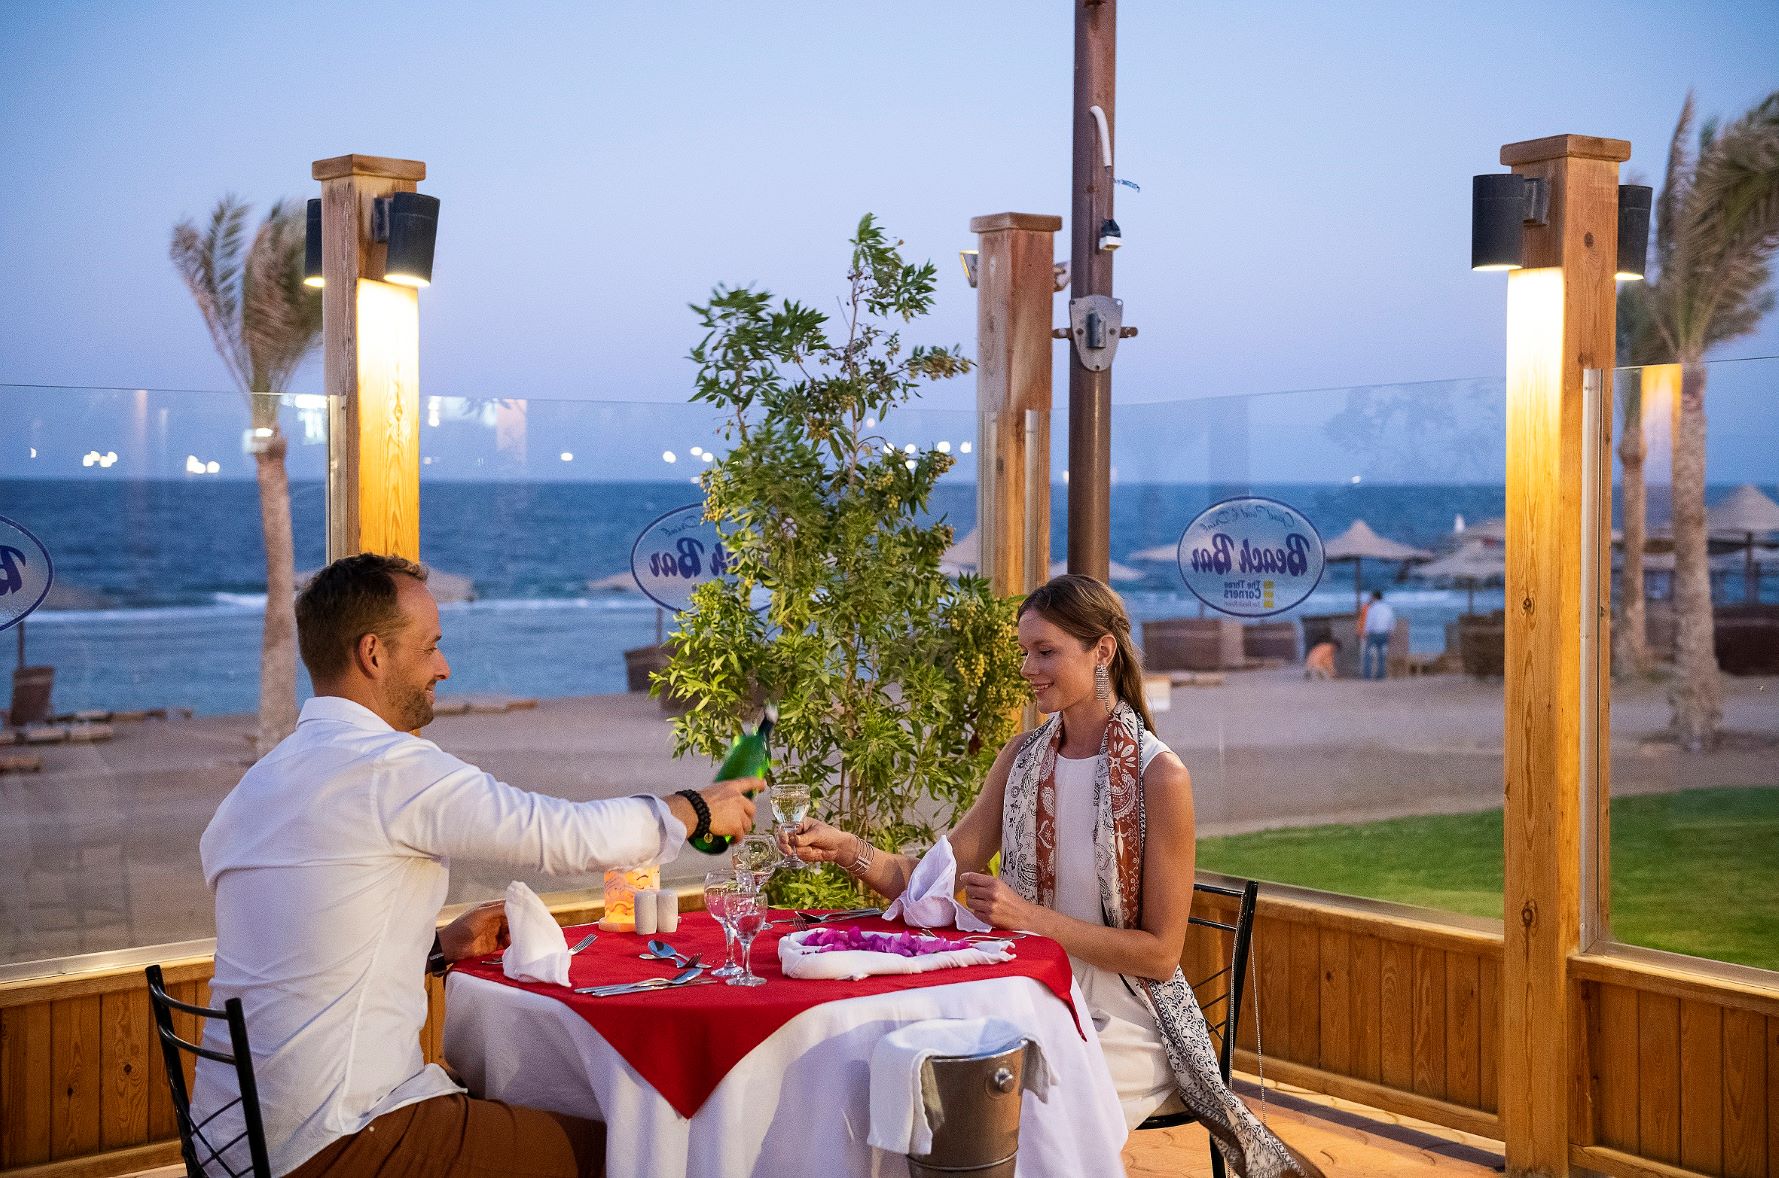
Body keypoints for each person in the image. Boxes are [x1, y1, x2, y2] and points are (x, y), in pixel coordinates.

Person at [192, 554, 757, 1178]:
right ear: (373, 654)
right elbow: (559, 836)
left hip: (232, 1142)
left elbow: (294, 950)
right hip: (338, 1140)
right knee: (641, 1152)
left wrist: (437, 947)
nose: (444, 667)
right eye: (430, 646)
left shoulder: (258, 786)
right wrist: (691, 809)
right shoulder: (387, 769)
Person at [782, 575, 1323, 1178]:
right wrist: (848, 850)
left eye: (1046, 652)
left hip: (1125, 1023)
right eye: (1025, 652)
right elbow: (932, 878)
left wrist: (1030, 919)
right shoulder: (1021, 760)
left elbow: (1160, 955)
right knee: (915, 1078)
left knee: (1008, 1106)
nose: (1028, 668)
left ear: (1102, 652)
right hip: (1026, 997)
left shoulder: (1161, 778)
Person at [1361, 589, 1395, 680]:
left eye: (1371, 597)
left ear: (1374, 597)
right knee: (1381, 655)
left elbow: (1369, 621)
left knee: (1367, 654)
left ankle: (1367, 675)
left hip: (1374, 633)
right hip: (1384, 633)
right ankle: (1381, 675)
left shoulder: (1372, 608)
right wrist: (1391, 632)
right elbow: (1392, 621)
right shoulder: (1387, 607)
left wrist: (1365, 632)